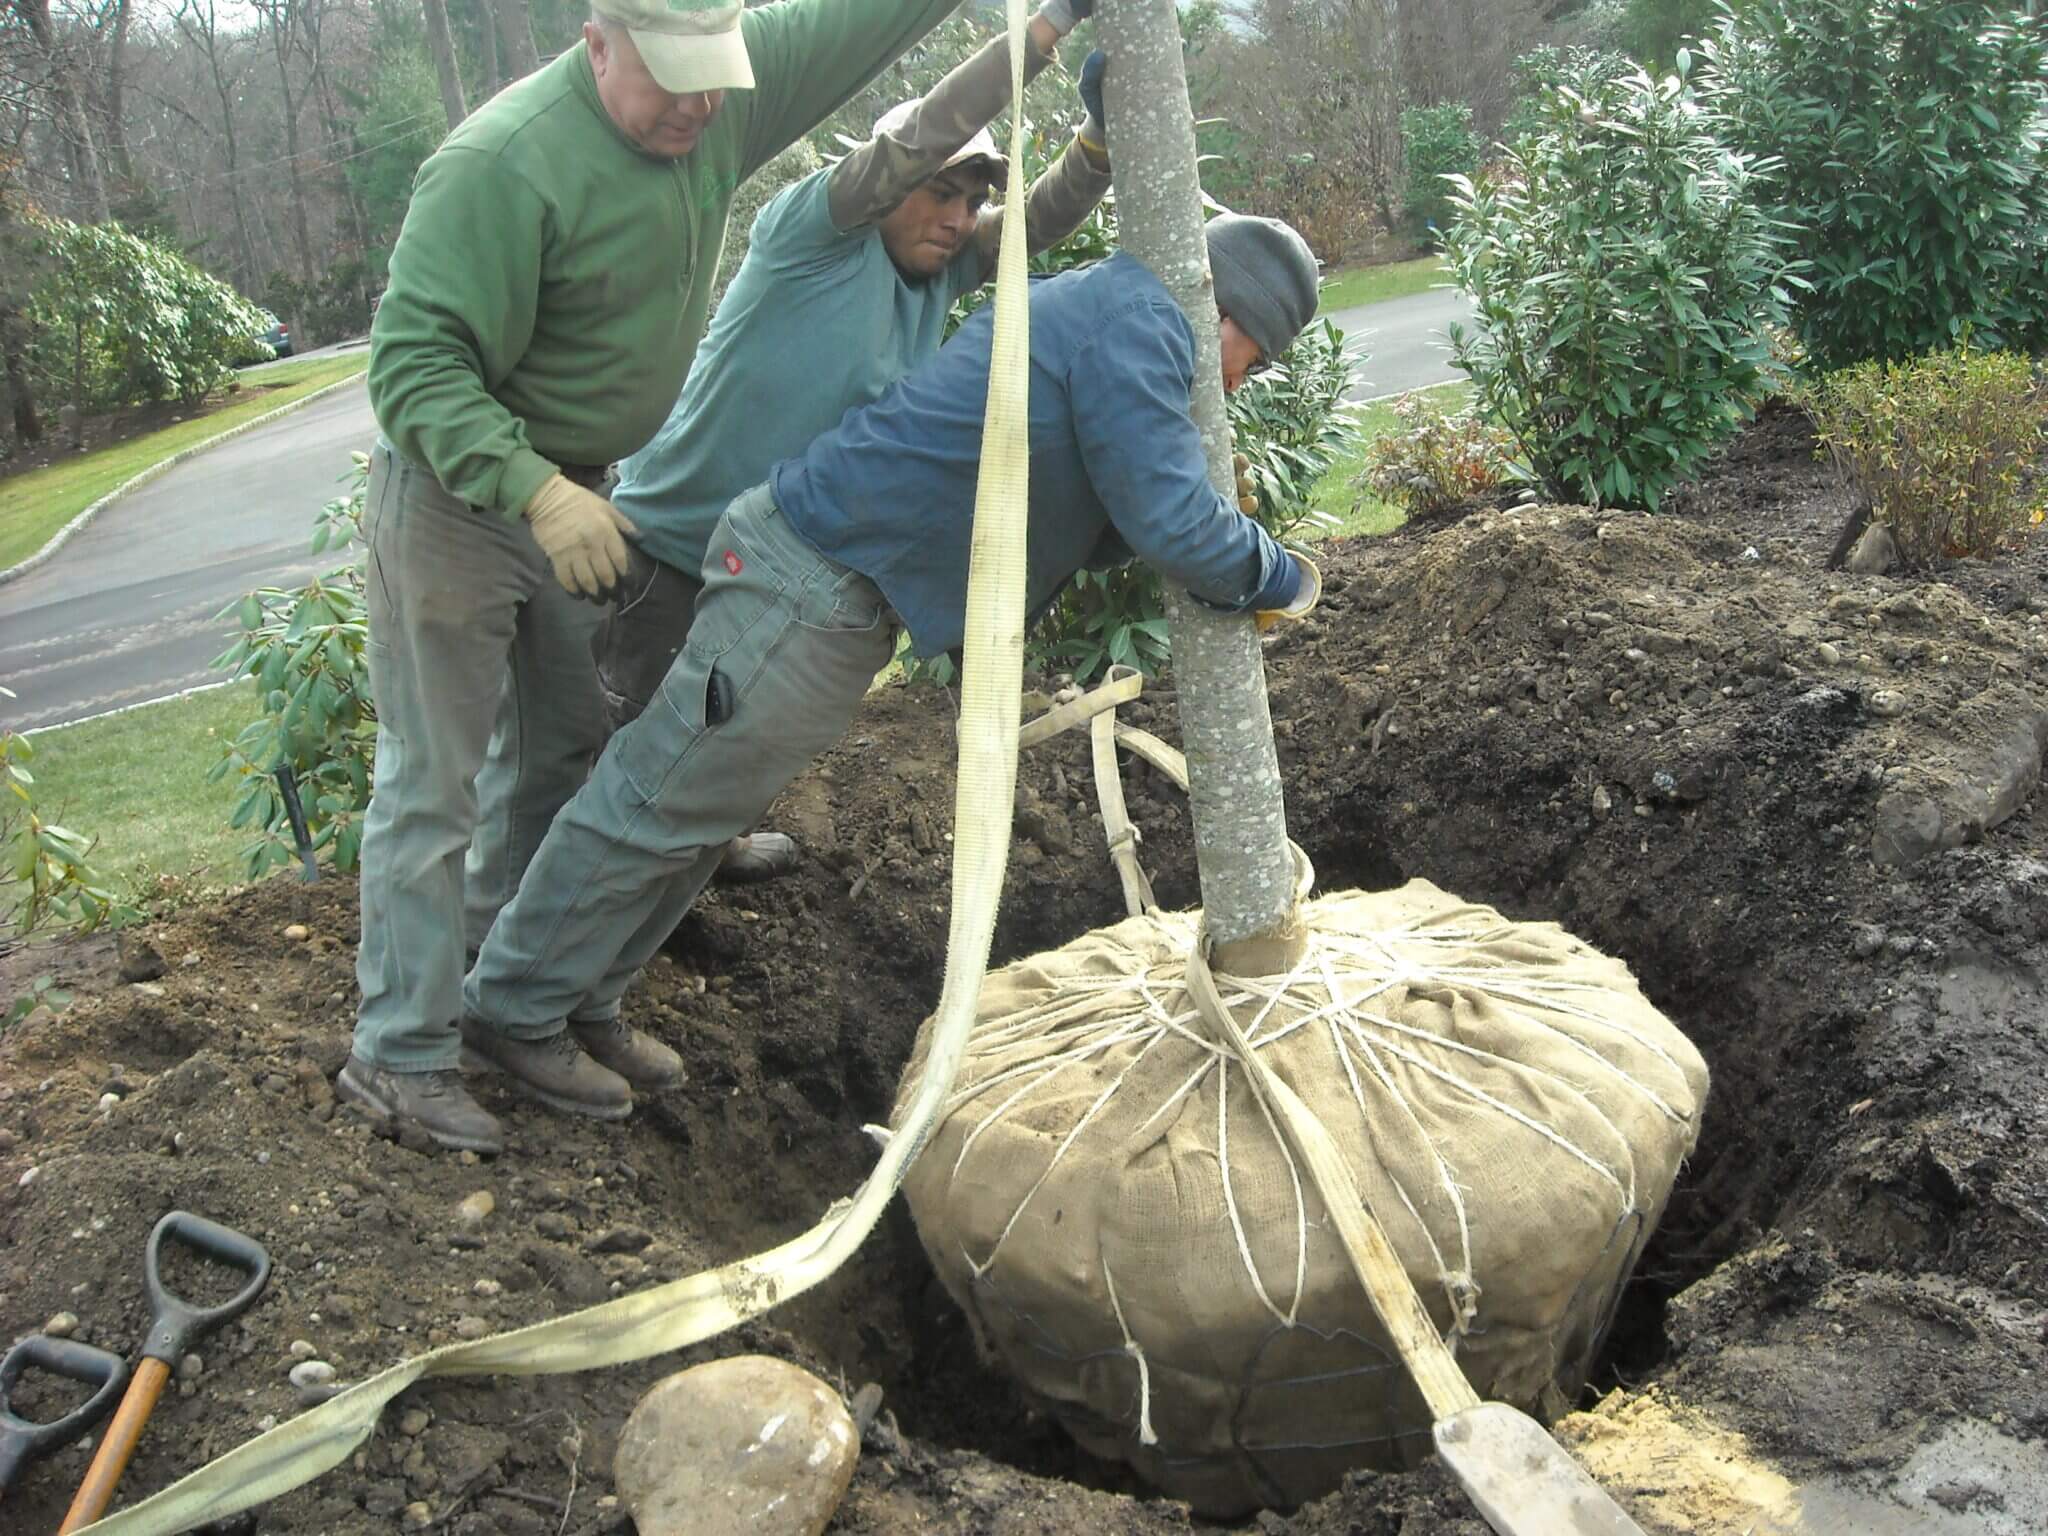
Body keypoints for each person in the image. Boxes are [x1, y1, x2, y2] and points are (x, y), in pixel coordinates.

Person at [462, 213, 1325, 1089]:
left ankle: (586, 999)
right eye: (1251, 358)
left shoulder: (1114, 310)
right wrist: (1282, 576)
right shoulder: (1144, 326)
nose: (1236, 382)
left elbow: (1114, 504)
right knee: (657, 798)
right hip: (808, 583)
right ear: (1226, 310)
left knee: (701, 814)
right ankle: (513, 1006)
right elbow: (1173, 521)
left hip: (834, 591)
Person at [341, 0, 972, 1156]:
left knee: (563, 750)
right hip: (459, 496)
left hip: (580, 493)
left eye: (712, 77)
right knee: (435, 783)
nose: (698, 105)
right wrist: (534, 490)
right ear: (596, 42)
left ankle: (504, 996)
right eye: (671, 80)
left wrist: (1042, 28)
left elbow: (864, 26)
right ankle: (399, 1053)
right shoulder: (500, 164)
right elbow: (411, 367)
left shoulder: (709, 106)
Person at [599, 2, 1114, 877]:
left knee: (725, 722)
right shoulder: (817, 232)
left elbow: (1036, 221)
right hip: (670, 543)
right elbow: (925, 133)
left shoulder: (940, 271)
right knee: (624, 731)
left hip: (762, 561)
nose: (958, 217)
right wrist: (1044, 29)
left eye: (972, 200)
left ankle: (705, 849)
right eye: (939, 192)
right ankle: (564, 909)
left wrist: (1097, 146)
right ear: (887, 185)